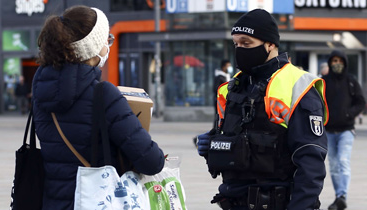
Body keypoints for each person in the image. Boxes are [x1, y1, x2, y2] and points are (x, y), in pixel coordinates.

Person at [32, 5, 165, 209]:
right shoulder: (104, 95)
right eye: (107, 39)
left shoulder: (41, 91)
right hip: (98, 201)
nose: (108, 45)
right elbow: (152, 162)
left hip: (53, 201)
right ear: (93, 46)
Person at [196, 9, 328, 210]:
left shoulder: (297, 86)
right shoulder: (234, 86)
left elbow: (310, 162)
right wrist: (214, 143)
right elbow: (243, 145)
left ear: (270, 44)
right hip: (233, 201)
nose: (240, 49)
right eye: (236, 44)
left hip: (276, 202)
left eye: (246, 43)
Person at [322, 50, 366, 210]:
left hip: (346, 130)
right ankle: (338, 196)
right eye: (333, 61)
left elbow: (361, 102)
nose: (337, 64)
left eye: (340, 61)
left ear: (345, 63)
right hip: (328, 131)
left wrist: (350, 114)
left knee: (343, 161)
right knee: (333, 164)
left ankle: (342, 196)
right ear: (329, 63)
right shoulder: (323, 82)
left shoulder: (351, 81)